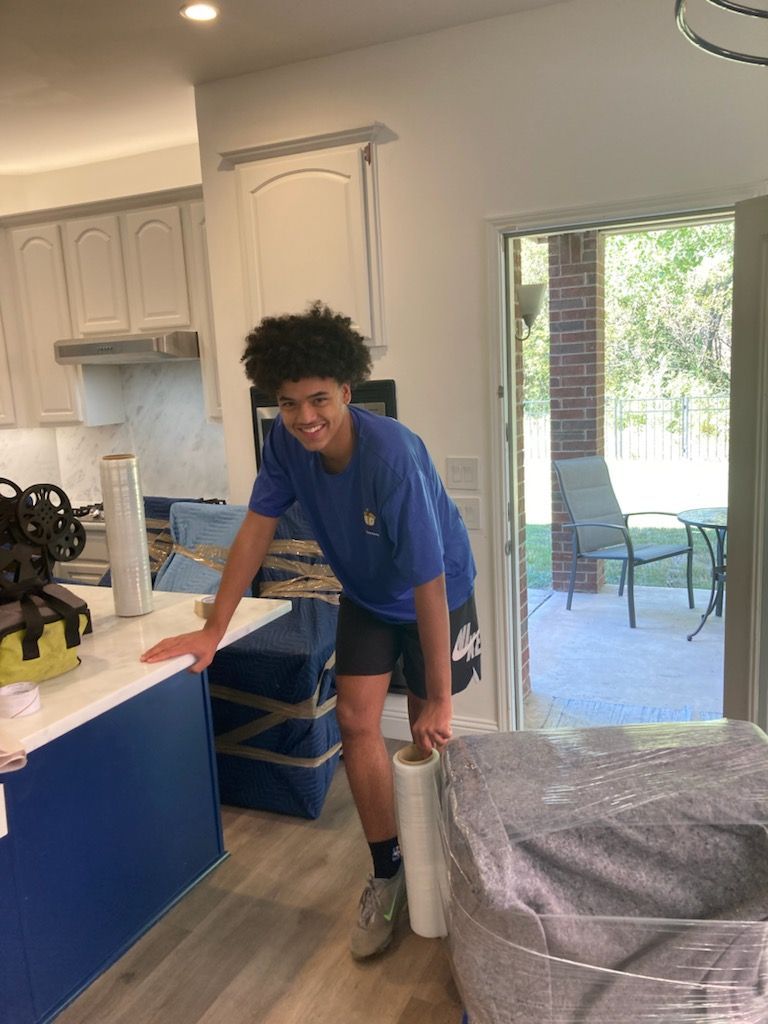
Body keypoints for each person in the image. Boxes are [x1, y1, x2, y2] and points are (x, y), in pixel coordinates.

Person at [141, 302, 481, 960]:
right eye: (289, 402)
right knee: (355, 721)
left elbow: (430, 584)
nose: (304, 417)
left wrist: (439, 696)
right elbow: (255, 530)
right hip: (368, 595)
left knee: (426, 732)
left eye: (319, 399)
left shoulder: (392, 458)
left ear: (347, 391)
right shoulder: (284, 444)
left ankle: (447, 868)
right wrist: (213, 628)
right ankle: (388, 873)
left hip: (436, 593)